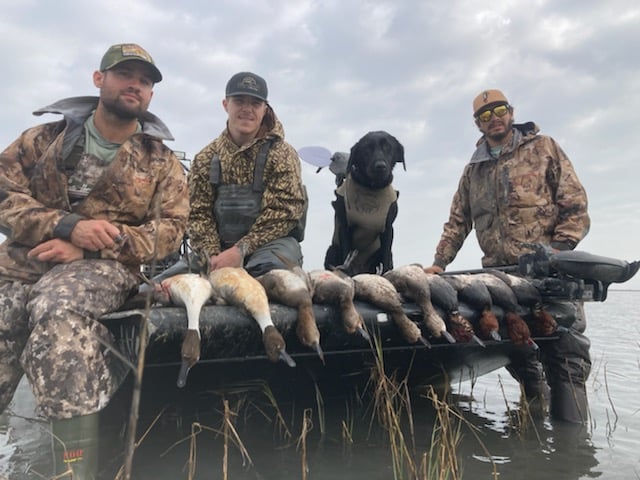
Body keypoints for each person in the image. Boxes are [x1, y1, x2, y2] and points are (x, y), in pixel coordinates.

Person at [0, 43, 189, 477]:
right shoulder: (44, 139)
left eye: (145, 81)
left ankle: (74, 470)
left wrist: (92, 245)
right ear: (99, 79)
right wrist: (64, 225)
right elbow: (3, 192)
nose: (135, 85)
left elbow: (170, 231)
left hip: (103, 269)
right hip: (22, 260)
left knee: (58, 315)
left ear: (150, 96)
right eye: (125, 74)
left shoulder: (160, 161)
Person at [423, 89, 591, 423]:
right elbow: (458, 221)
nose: (494, 117)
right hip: (501, 278)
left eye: (499, 110)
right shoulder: (474, 170)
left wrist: (559, 250)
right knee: (519, 354)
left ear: (511, 112)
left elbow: (574, 205)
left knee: (565, 356)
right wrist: (439, 263)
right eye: (485, 115)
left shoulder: (544, 148)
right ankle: (532, 430)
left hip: (549, 272)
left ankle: (573, 448)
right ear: (477, 124)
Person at [187, 71, 307, 277]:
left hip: (271, 248)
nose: (247, 109)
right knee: (161, 286)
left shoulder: (282, 154)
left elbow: (285, 212)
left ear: (264, 109)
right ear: (226, 105)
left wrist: (239, 251)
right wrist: (213, 257)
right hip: (218, 253)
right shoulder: (205, 158)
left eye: (255, 103)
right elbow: (198, 213)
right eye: (239, 101)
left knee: (269, 278)